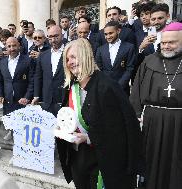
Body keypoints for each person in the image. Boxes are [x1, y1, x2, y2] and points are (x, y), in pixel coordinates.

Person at [57, 38, 141, 189]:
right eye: (67, 59)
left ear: (86, 56)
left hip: (102, 160)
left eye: (74, 57)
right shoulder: (71, 86)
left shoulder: (106, 86)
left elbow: (118, 130)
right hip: (77, 157)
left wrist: (88, 138)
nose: (70, 62)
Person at [130, 22, 182, 189]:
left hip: (179, 123)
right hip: (152, 122)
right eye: (164, 42)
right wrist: (136, 116)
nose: (166, 46)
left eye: (172, 42)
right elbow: (136, 90)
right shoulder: (149, 61)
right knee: (150, 161)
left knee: (176, 162)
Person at [0, 37, 34, 140]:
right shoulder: (2, 63)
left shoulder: (28, 60)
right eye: (9, 46)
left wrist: (27, 97)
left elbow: (32, 82)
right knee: (12, 130)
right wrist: (0, 95)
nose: (12, 48)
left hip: (23, 102)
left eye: (14, 45)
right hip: (8, 102)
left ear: (19, 46)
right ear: (5, 48)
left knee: (25, 133)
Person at [32, 25, 65, 116]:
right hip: (47, 100)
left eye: (56, 36)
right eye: (50, 37)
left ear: (62, 35)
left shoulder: (69, 52)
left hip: (64, 99)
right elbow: (38, 76)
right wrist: (36, 95)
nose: (53, 40)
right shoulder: (42, 55)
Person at [96, 21, 136, 95]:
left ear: (118, 31)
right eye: (105, 34)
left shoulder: (129, 47)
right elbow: (99, 69)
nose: (108, 36)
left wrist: (119, 85)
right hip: (105, 88)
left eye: (111, 33)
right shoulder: (100, 50)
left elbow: (130, 68)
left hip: (122, 89)